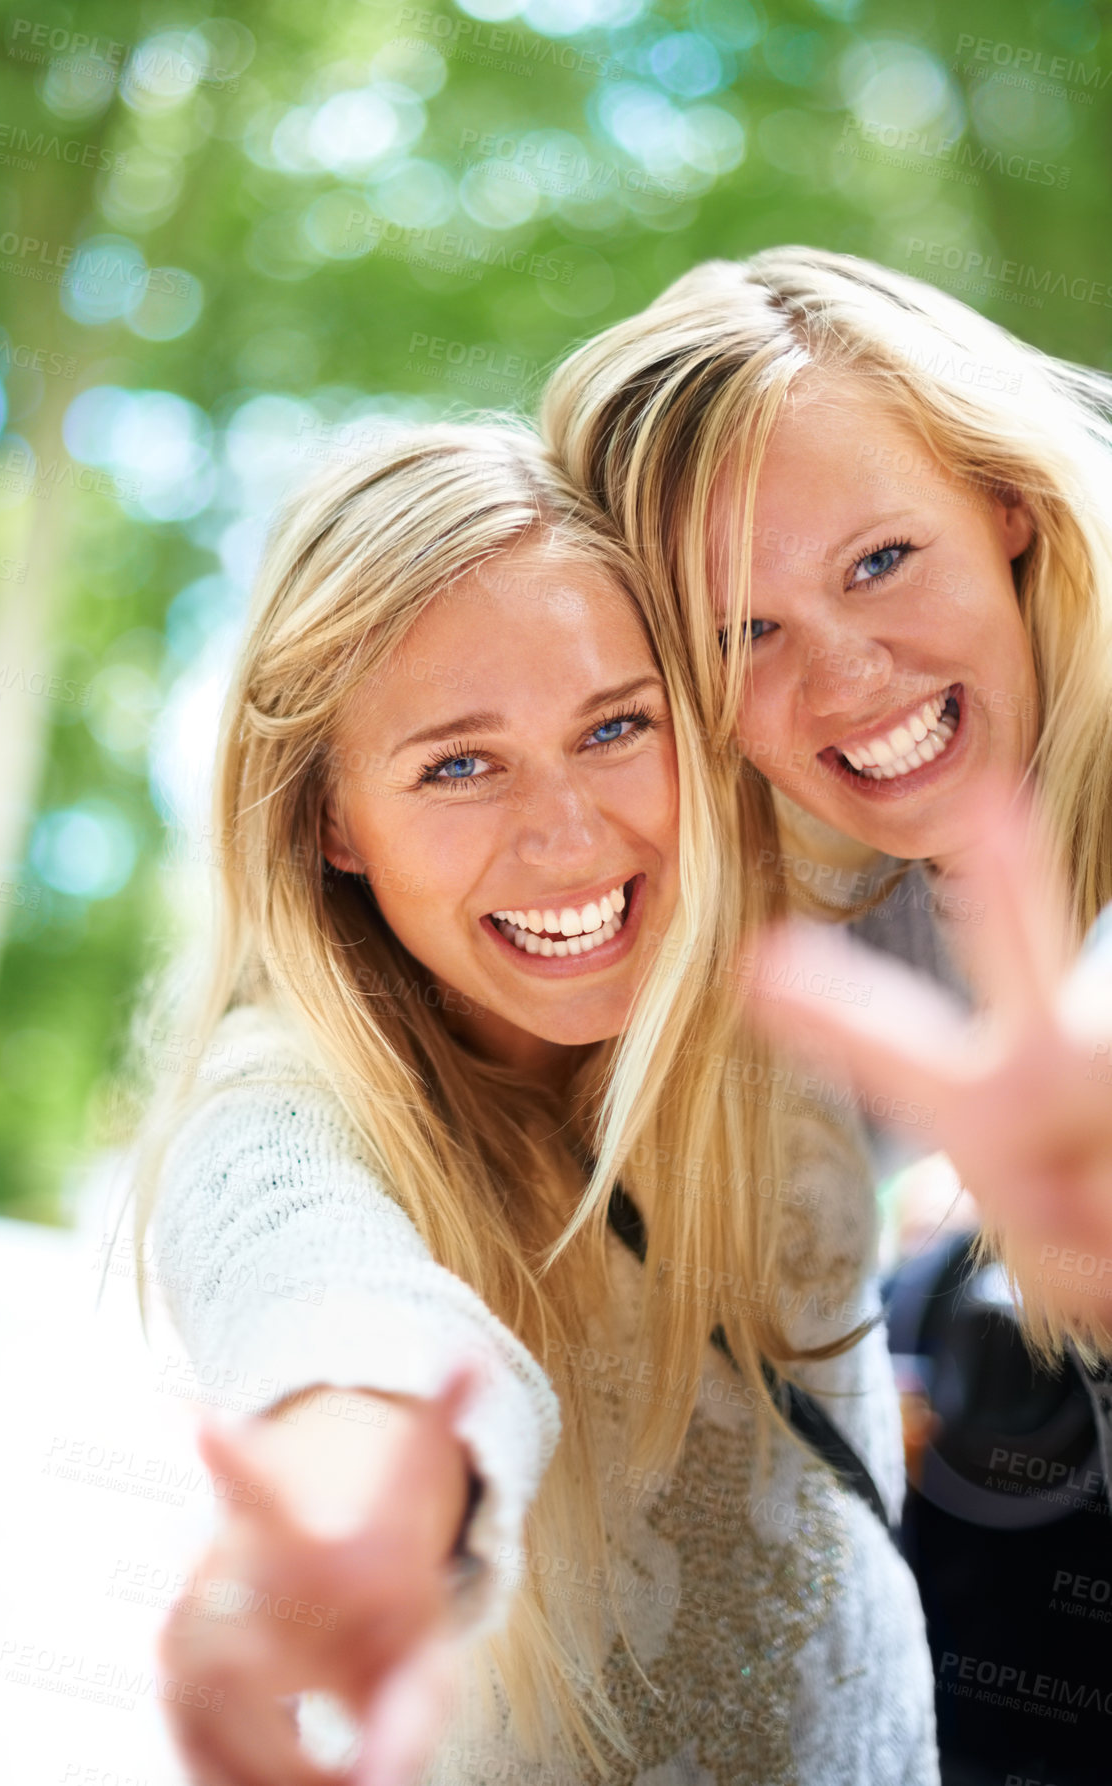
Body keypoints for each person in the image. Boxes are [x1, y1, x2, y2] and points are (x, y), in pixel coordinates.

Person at [134, 421, 937, 1786]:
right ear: (331, 818)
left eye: (614, 725)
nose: (569, 835)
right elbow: (328, 1303)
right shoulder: (277, 1106)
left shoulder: (793, 956)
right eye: (458, 763)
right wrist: (356, 1515)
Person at [540, 245, 1112, 1349]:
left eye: (882, 559)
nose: (847, 677)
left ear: (1004, 499)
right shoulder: (826, 917)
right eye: (742, 634)